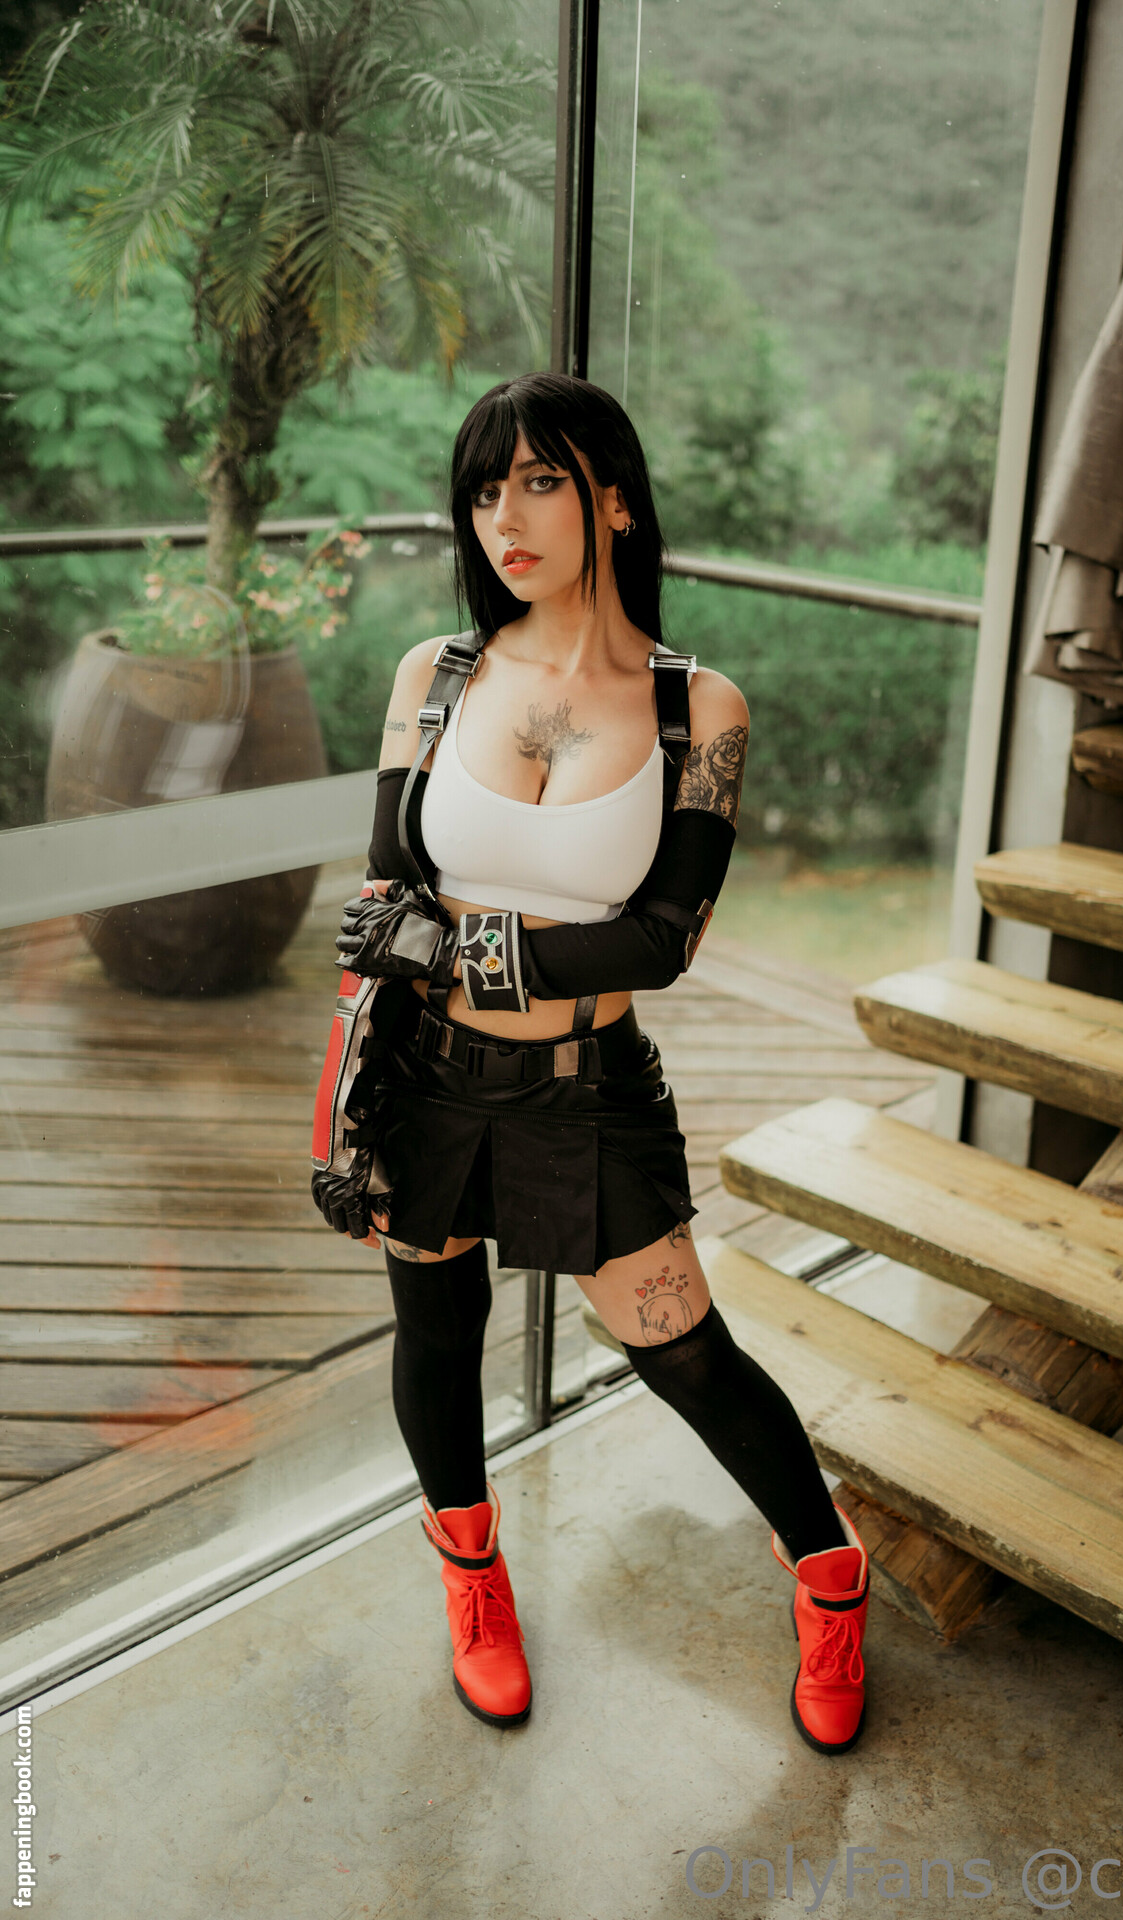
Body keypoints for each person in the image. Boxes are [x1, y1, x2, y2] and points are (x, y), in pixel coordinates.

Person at [310, 371, 870, 1756]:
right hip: (425, 1080)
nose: (504, 517)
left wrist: (460, 944)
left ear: (613, 499)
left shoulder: (699, 711)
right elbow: (384, 903)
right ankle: (474, 1579)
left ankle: (831, 1578)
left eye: (540, 482)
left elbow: (662, 938)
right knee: (436, 1335)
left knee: (687, 1354)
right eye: (483, 490)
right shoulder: (433, 679)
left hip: (589, 1090)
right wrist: (352, 1103)